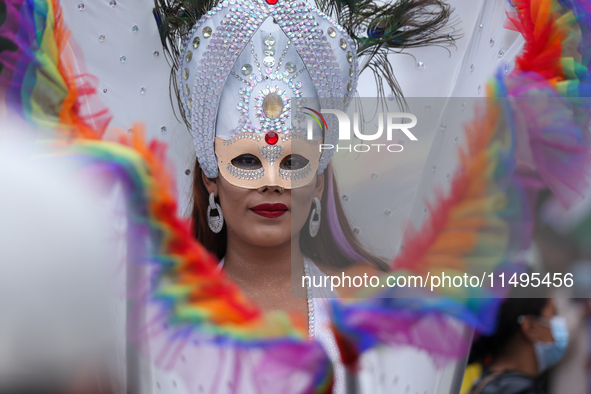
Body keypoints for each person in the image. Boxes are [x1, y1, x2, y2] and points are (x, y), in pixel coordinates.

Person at [467, 298, 569, 394]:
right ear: (530, 327)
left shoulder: (488, 384)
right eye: (554, 313)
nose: (559, 324)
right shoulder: (521, 389)